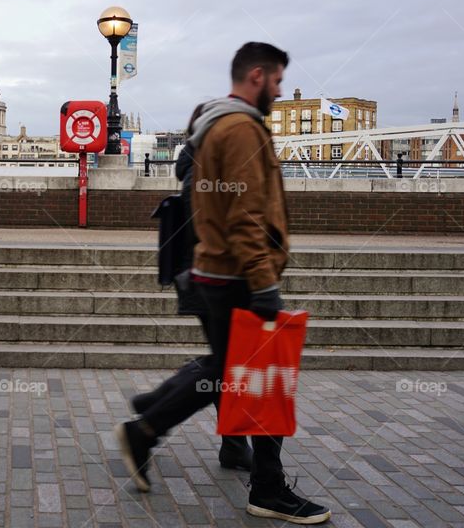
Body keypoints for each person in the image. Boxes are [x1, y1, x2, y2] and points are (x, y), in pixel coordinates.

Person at [115, 43, 330, 525]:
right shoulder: (240, 130)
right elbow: (247, 215)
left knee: (230, 372)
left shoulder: (217, 125)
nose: (279, 89)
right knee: (264, 379)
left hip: (218, 271)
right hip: (236, 275)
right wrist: (263, 284)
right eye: (277, 81)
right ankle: (265, 488)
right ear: (257, 75)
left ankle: (156, 425)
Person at [130, 102, 253, 473]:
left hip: (210, 277)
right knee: (226, 365)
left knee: (227, 362)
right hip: (212, 279)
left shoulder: (202, 162)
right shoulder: (205, 166)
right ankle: (150, 422)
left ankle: (229, 443)